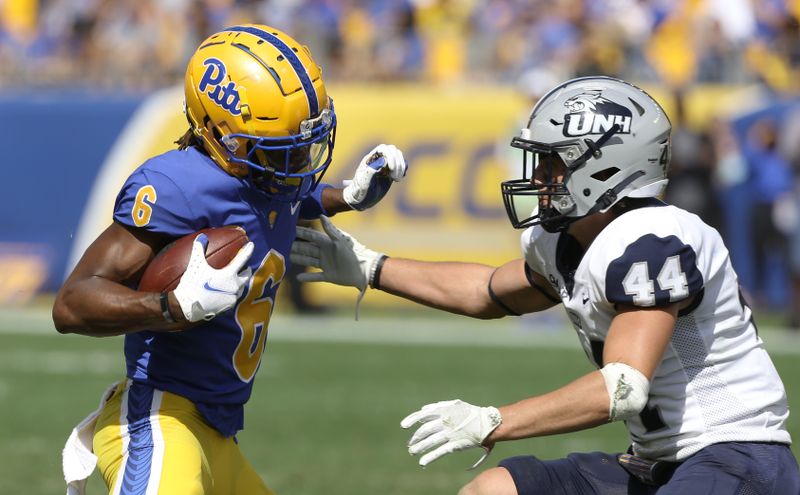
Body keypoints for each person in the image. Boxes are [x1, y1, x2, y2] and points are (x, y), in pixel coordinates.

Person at [290, 76, 799, 494]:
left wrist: (494, 420)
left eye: (555, 162)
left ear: (606, 166)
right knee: (495, 490)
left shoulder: (654, 240)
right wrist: (372, 267)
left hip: (738, 458)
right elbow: (487, 291)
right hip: (658, 462)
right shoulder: (567, 240)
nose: (539, 177)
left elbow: (622, 387)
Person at [53, 24, 407, 495]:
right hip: (160, 419)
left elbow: (279, 198)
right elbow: (72, 304)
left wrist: (347, 196)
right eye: (283, 147)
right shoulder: (179, 186)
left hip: (216, 434)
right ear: (223, 136)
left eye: (302, 145)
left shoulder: (260, 175)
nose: (299, 160)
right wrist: (168, 306)